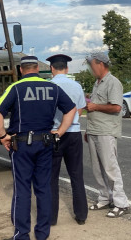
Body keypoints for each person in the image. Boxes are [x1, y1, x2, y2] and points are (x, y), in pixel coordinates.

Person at [0, 55, 77, 240]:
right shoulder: (53, 88)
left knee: (22, 190)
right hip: (46, 143)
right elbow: (71, 109)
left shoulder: (16, 88)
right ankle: (42, 234)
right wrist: (60, 131)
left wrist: (2, 135)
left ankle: (22, 234)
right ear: (38, 69)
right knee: (43, 188)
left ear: (21, 70)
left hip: (22, 145)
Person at [85, 52, 130, 218]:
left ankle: (121, 203)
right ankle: (105, 197)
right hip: (94, 130)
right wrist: (88, 130)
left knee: (110, 168)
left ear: (100, 64)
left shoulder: (113, 82)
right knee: (97, 169)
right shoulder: (97, 83)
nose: (90, 68)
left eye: (92, 64)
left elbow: (116, 107)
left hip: (106, 131)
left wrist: (95, 106)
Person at [46, 54, 88, 226]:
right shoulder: (76, 85)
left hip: (54, 133)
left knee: (51, 177)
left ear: (51, 68)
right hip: (73, 133)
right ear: (67, 68)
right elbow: (79, 110)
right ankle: (81, 215)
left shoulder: (48, 86)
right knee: (76, 175)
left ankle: (51, 218)